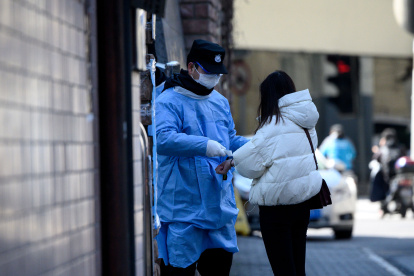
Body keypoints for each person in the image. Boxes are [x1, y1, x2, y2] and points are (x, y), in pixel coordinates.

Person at [155, 39, 249, 275]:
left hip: (218, 211)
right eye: (208, 71)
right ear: (191, 67)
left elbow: (230, 140)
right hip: (183, 213)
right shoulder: (168, 100)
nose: (214, 78)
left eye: (217, 73)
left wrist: (250, 147)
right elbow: (163, 139)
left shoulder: (219, 102)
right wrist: (204, 146)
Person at [216, 70, 322, 275]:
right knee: (298, 266)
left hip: (277, 209)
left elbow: (249, 167)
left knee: (283, 268)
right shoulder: (307, 123)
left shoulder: (271, 127)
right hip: (303, 204)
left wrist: (232, 162)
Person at [370, 128, 406, 208]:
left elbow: (376, 158)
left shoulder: (383, 149)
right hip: (399, 176)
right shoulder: (401, 147)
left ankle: (382, 205)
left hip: (388, 177)